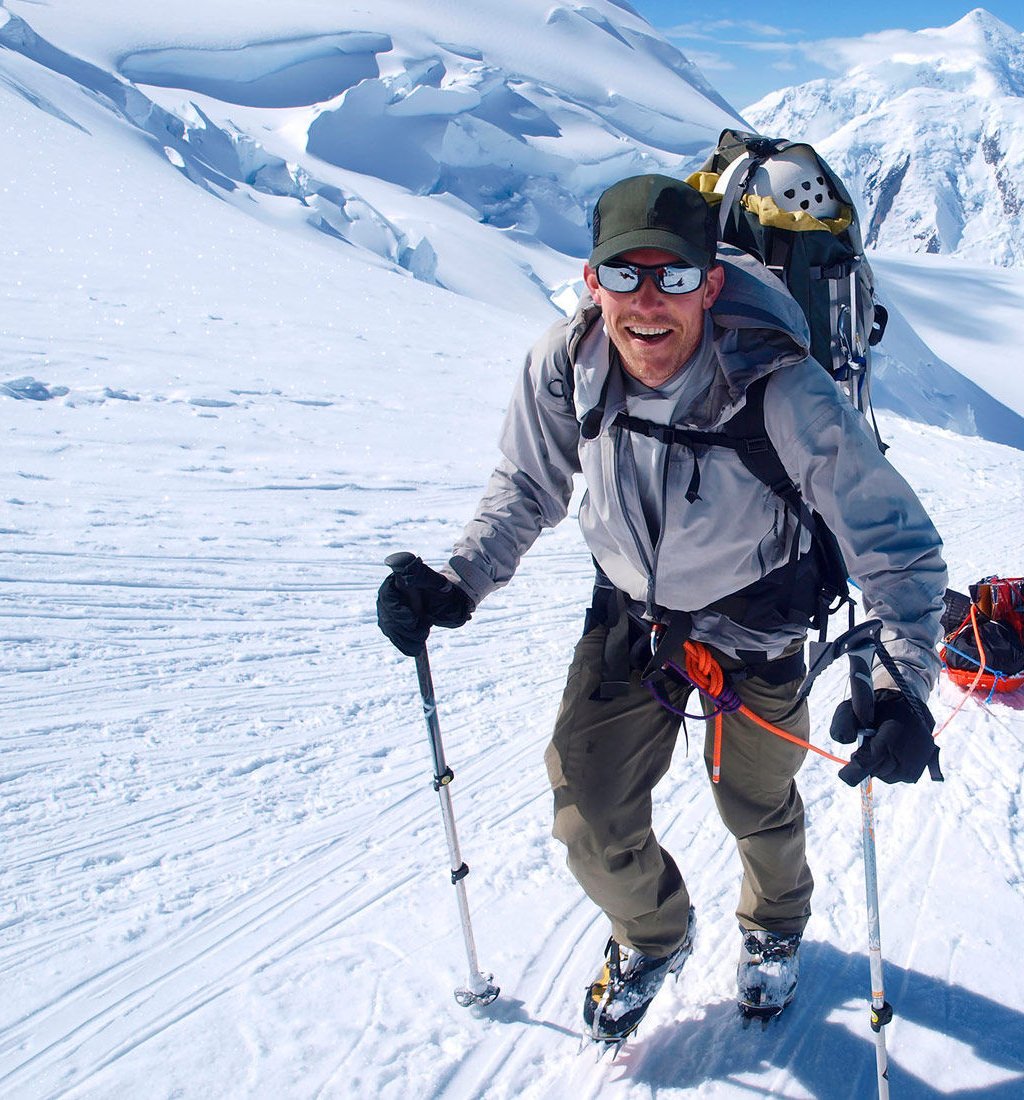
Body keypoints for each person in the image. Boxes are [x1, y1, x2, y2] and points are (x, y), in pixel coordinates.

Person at [376, 174, 947, 1040]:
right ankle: (654, 934)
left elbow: (897, 549)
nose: (648, 303)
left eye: (674, 277)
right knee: (586, 812)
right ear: (590, 278)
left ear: (709, 282)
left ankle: (775, 927)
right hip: (632, 618)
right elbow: (530, 483)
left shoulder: (784, 392)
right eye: (624, 276)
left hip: (757, 625)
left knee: (755, 802)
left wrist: (907, 685)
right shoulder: (566, 362)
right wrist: (459, 578)